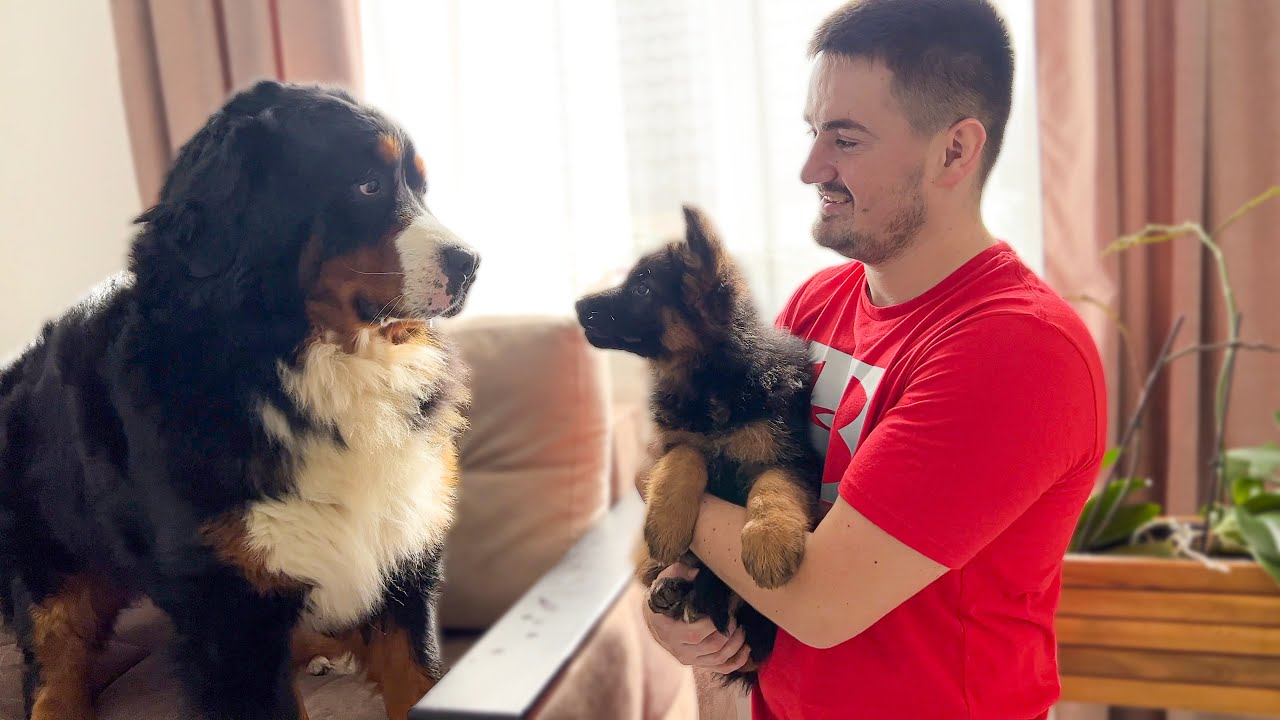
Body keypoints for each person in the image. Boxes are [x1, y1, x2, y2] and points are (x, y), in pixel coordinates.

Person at [640, 1, 1108, 718]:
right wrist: (670, 609)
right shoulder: (815, 305)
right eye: (812, 132)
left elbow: (823, 600)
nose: (809, 168)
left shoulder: (1019, 349)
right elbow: (717, 540)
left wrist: (664, 489)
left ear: (955, 151)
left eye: (846, 140)